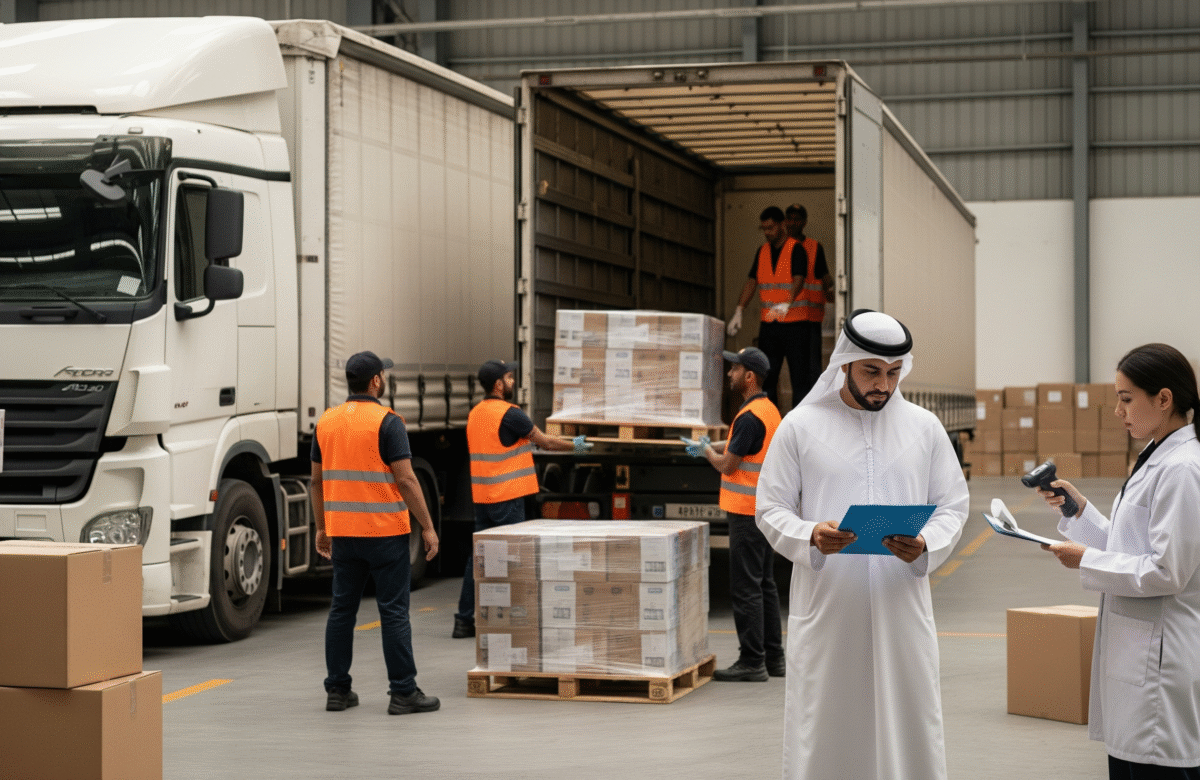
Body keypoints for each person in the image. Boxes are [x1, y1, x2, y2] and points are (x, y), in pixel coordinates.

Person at [754, 309, 969, 780]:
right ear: (845, 364)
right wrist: (809, 534)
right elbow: (769, 509)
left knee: (907, 723)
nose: (883, 385)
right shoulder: (800, 426)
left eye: (893, 373)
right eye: (872, 371)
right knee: (827, 726)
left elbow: (953, 505)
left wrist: (926, 543)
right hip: (829, 607)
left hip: (901, 608)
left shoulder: (924, 428)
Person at [1037, 343, 1200, 780]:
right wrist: (1079, 512)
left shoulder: (1182, 468)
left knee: (1157, 766)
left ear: (1163, 399)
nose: (1118, 411)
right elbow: (1131, 547)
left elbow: (1168, 571)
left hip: (1160, 665)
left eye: (1127, 399)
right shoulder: (1155, 457)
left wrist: (1086, 559)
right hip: (1138, 658)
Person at [311, 350, 441, 716]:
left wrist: (323, 528)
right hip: (385, 535)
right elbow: (406, 478)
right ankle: (403, 692)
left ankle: (337, 691)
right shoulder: (388, 422)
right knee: (394, 612)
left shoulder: (327, 423)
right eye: (383, 374)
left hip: (344, 535)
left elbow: (316, 481)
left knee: (342, 611)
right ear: (374, 382)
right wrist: (428, 528)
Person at [453, 359, 591, 639]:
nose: (513, 382)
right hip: (508, 497)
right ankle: (518, 616)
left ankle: (464, 620)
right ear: (498, 385)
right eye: (509, 378)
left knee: (478, 559)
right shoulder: (511, 414)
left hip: (484, 497)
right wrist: (576, 446)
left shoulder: (476, 414)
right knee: (515, 559)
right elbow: (546, 442)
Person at [685, 347, 784, 681]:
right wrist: (712, 447)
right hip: (765, 511)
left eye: (735, 369)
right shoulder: (769, 411)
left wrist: (706, 453)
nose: (729, 374)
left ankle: (752, 661)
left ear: (750, 376)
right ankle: (774, 659)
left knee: (746, 588)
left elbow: (729, 465)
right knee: (765, 585)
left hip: (746, 513)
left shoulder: (749, 418)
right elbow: (747, 452)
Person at [725, 205, 829, 410]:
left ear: (782, 225)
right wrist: (739, 310)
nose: (767, 233)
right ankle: (768, 422)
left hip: (795, 324)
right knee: (767, 376)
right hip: (770, 325)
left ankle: (798, 425)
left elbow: (798, 279)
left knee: (800, 378)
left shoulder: (796, 248)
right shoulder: (762, 251)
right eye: (764, 229)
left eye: (771, 228)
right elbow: (751, 282)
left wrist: (786, 303)